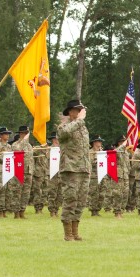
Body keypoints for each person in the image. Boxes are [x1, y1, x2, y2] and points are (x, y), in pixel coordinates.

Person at [57, 100, 91, 241]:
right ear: (71, 111)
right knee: (70, 199)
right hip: (70, 168)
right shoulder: (64, 126)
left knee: (80, 201)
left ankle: (75, 232)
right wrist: (80, 120)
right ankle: (67, 234)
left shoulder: (83, 128)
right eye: (78, 110)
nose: (81, 112)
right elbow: (63, 133)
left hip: (83, 168)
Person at [11, 125, 34, 219]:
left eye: (27, 133)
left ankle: (22, 211)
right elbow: (17, 151)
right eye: (25, 133)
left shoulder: (29, 145)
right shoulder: (15, 144)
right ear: (21, 134)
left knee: (26, 193)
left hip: (28, 171)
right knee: (17, 192)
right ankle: (16, 213)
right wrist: (24, 140)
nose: (26, 135)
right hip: (19, 170)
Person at [112, 135, 130, 218]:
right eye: (122, 141)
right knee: (117, 194)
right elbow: (115, 153)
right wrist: (122, 146)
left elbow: (127, 164)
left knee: (125, 194)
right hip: (118, 175)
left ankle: (121, 211)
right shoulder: (116, 150)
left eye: (124, 141)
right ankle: (117, 212)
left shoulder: (126, 152)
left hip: (125, 175)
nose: (124, 143)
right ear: (119, 143)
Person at [46, 133, 63, 218]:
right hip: (52, 173)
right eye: (56, 139)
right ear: (53, 139)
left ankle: (56, 210)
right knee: (52, 192)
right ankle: (52, 211)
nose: (57, 140)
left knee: (60, 193)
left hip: (61, 173)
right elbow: (47, 157)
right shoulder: (50, 148)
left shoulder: (62, 148)